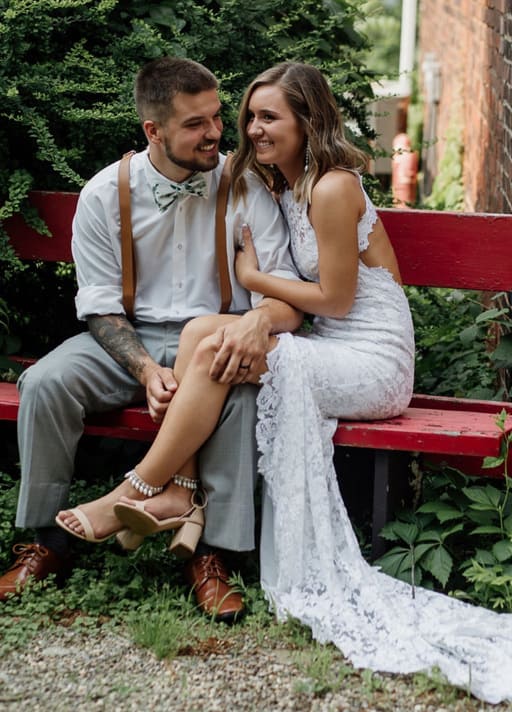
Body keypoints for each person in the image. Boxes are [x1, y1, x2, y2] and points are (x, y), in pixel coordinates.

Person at [58, 60, 512, 703]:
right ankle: (180, 492)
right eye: (249, 116)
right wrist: (253, 301)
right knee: (198, 335)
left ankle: (139, 487)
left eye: (268, 116)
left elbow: (334, 298)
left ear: (309, 120)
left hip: (371, 358)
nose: (251, 128)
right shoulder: (281, 184)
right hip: (325, 343)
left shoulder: (331, 187)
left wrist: (253, 278)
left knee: (214, 344)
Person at [0, 56, 301, 623]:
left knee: (239, 394)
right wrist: (145, 369)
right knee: (43, 383)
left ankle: (213, 556)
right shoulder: (102, 194)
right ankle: (44, 541)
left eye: (215, 116)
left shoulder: (246, 187)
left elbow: (283, 295)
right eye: (195, 124)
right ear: (153, 131)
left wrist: (251, 325)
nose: (215, 132)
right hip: (128, 342)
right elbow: (99, 308)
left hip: (216, 339)